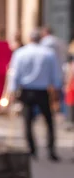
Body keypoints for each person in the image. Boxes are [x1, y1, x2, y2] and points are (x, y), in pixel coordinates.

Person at [4, 27, 63, 161]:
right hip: (42, 90)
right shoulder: (48, 53)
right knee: (48, 121)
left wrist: (12, 90)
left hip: (27, 90)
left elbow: (15, 73)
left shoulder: (21, 53)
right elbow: (55, 74)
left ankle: (32, 149)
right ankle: (50, 149)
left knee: (28, 121)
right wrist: (57, 89)